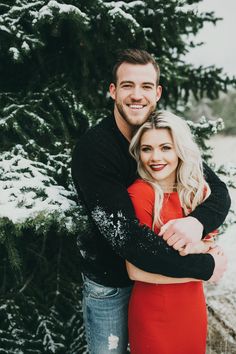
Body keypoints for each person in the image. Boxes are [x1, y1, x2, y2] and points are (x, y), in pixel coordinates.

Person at [71, 49, 230, 354]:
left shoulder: (159, 134)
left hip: (162, 285)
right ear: (113, 91)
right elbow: (128, 239)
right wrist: (204, 265)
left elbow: (218, 191)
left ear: (157, 93)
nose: (137, 95)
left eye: (146, 86)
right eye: (127, 85)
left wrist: (195, 222)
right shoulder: (95, 150)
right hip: (112, 285)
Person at [126, 110, 226, 354]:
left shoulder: (193, 192)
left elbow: (211, 244)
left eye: (165, 147)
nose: (155, 157)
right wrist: (205, 269)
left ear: (180, 150)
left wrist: (198, 249)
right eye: (147, 148)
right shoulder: (139, 194)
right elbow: (135, 270)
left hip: (192, 308)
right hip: (154, 313)